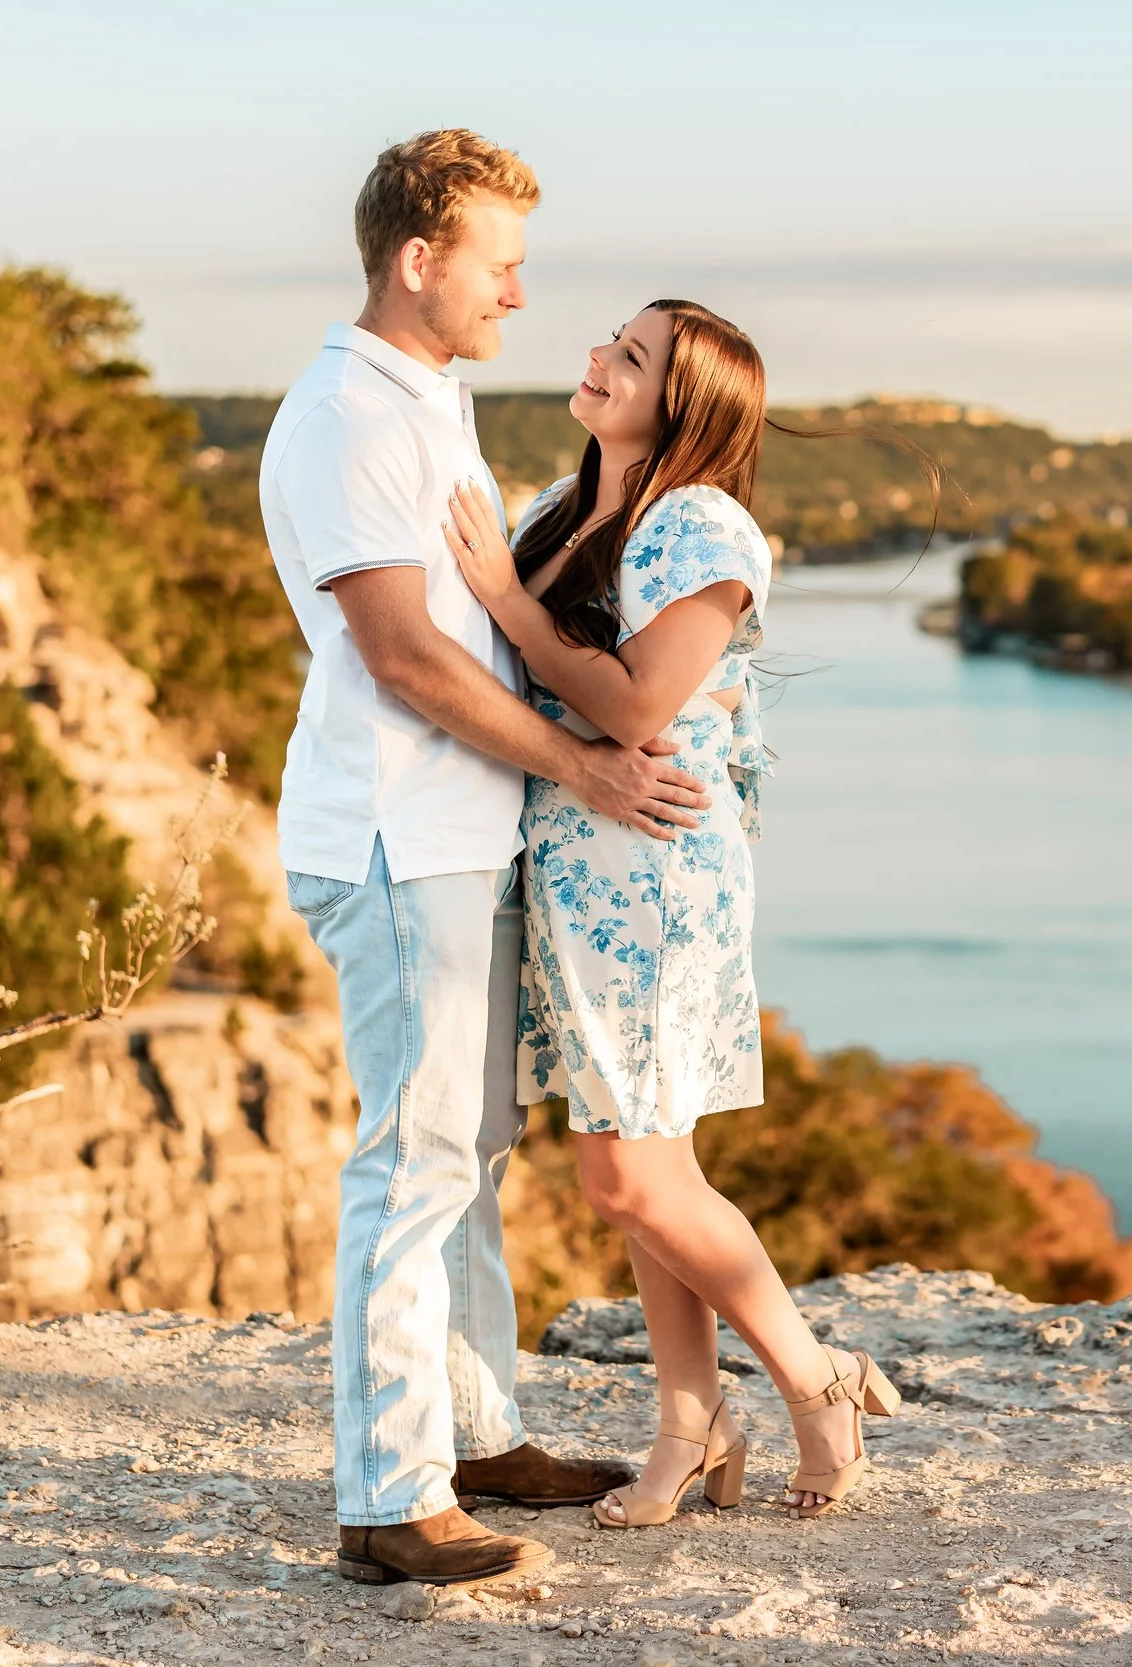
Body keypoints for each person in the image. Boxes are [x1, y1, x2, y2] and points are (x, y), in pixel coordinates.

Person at [262, 130, 712, 1589]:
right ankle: (390, 1493)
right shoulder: (351, 415)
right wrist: (589, 764)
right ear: (419, 259)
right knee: (414, 1159)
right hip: (398, 841)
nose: (520, 294)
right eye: (500, 264)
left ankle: (473, 1433)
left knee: (472, 1150)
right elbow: (399, 655)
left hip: (463, 834)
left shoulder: (429, 401)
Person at [439, 298, 899, 1529]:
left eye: (630, 357)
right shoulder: (554, 503)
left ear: (681, 406)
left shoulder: (705, 527)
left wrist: (512, 602)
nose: (597, 359)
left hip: (651, 879)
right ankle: (687, 1428)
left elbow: (640, 706)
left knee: (627, 1176)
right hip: (568, 867)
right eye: (611, 340)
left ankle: (815, 1379)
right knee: (652, 1157)